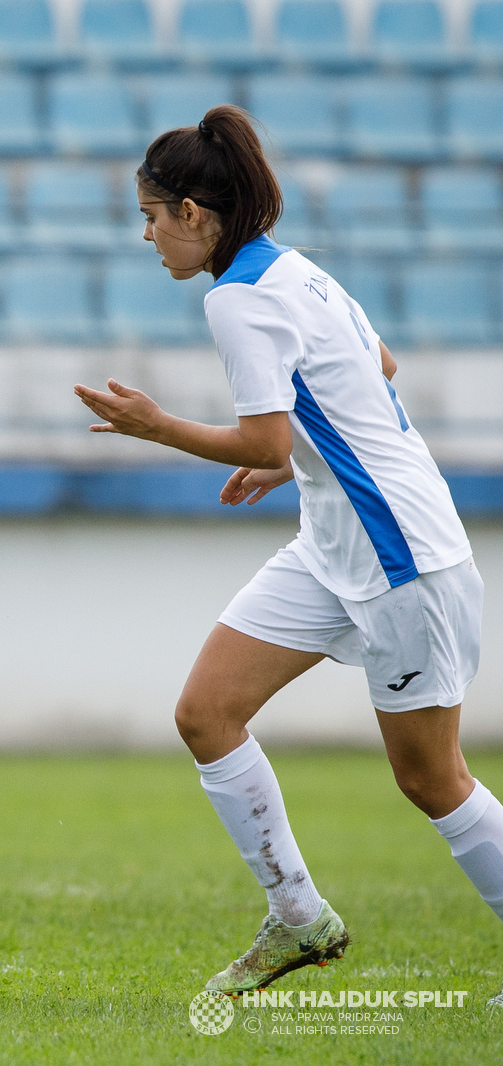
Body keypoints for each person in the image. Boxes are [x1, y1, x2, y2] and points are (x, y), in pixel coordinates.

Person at [76, 105, 495, 997]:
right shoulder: (295, 269)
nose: (146, 235)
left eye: (152, 216)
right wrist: (306, 461)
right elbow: (373, 367)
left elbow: (267, 440)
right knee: (206, 713)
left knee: (431, 779)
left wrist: (156, 427)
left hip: (401, 557)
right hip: (336, 542)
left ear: (195, 212)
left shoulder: (235, 297)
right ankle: (299, 916)